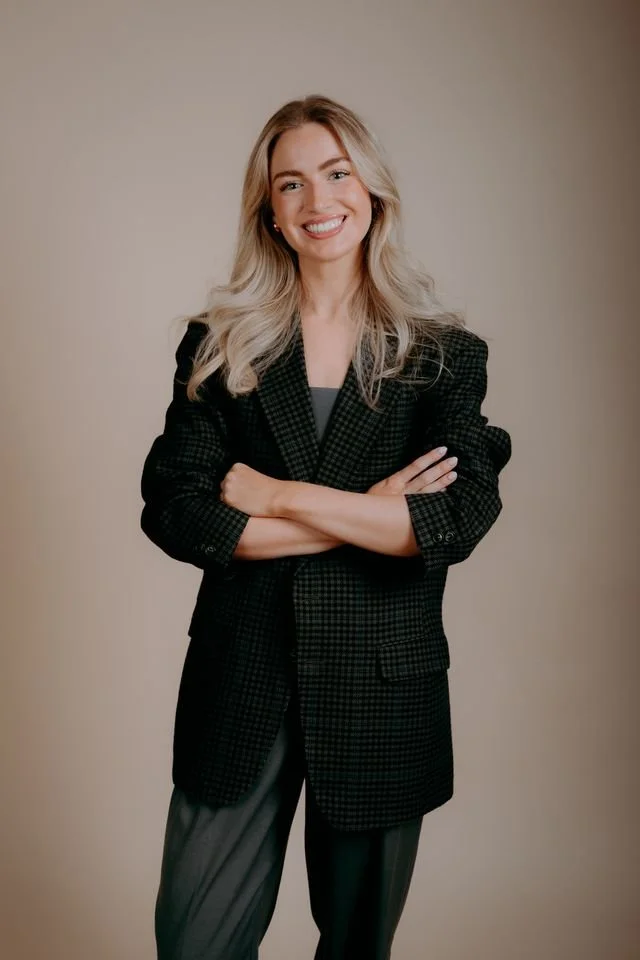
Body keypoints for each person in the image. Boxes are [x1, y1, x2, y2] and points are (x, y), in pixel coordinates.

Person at [141, 94, 511, 960]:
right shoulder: (219, 344)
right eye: (292, 184)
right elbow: (181, 511)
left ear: (371, 188)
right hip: (240, 680)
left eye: (337, 174)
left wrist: (277, 498)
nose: (319, 201)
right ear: (268, 210)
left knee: (356, 950)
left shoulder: (442, 355)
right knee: (193, 944)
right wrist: (374, 509)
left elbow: (453, 517)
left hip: (381, 687)